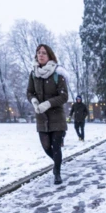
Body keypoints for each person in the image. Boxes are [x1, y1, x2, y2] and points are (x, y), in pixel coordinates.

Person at [27, 44, 70, 185]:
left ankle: (57, 172)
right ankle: (57, 163)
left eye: (44, 53)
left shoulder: (58, 73)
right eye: (38, 52)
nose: (40, 55)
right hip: (41, 118)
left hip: (57, 117)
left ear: (49, 55)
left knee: (56, 147)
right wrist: (34, 101)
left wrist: (48, 103)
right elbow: (29, 92)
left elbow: (64, 97)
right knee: (46, 147)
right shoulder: (34, 74)